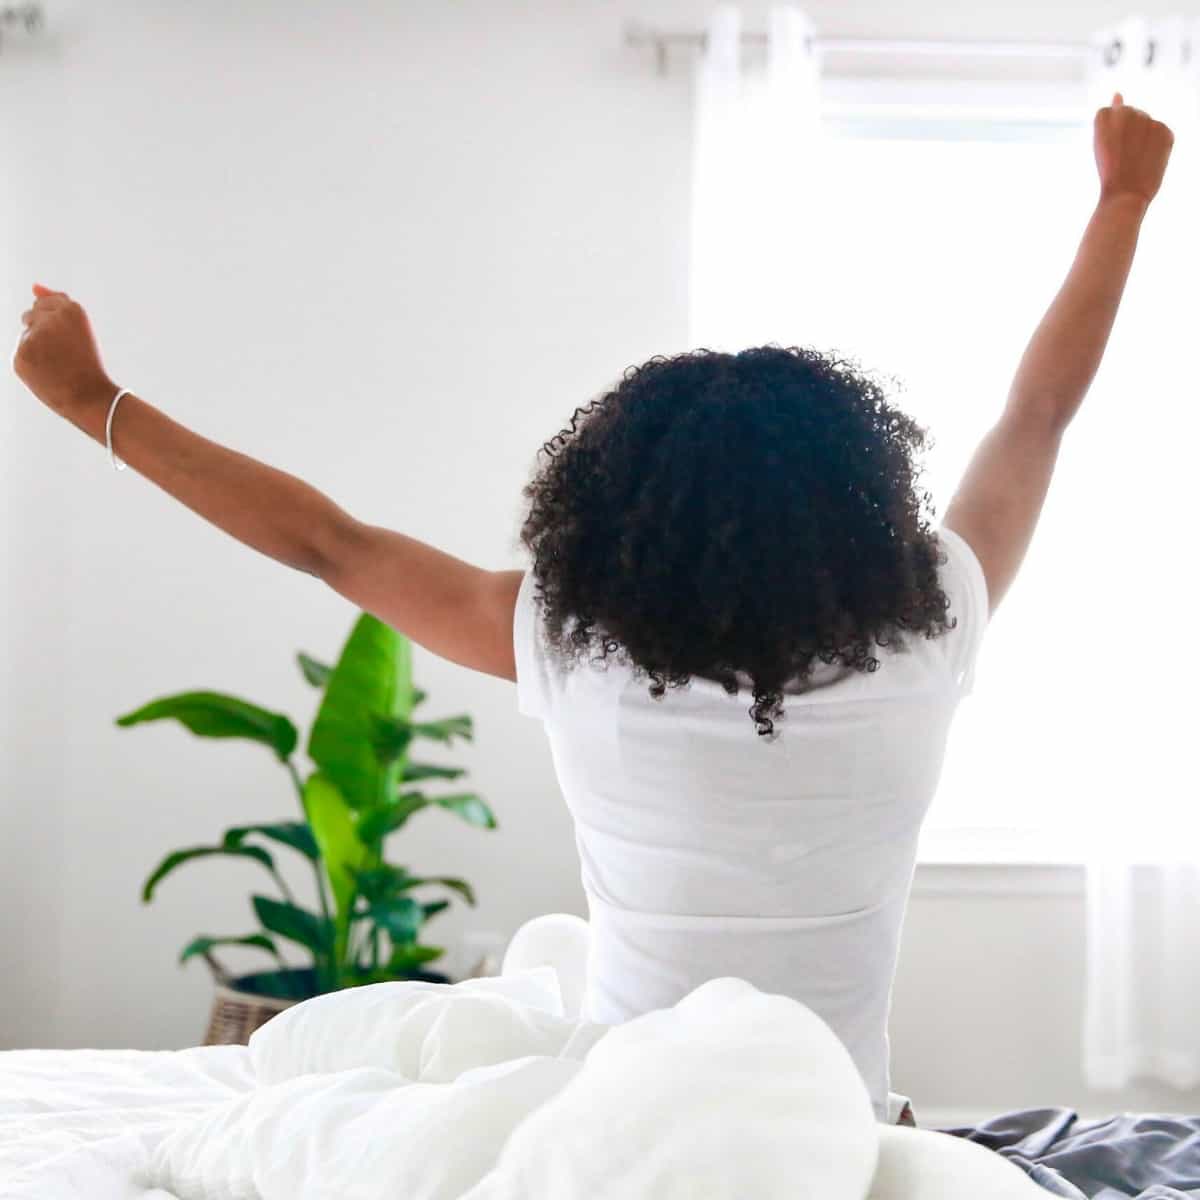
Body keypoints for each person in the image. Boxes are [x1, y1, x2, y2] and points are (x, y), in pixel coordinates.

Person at [11, 93, 1173, 1124]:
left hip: (614, 1135)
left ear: (617, 505)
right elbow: (1036, 417)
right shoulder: (932, 627)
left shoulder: (571, 639)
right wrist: (1123, 199)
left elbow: (329, 545)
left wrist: (93, 400)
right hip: (844, 1128)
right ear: (861, 499)